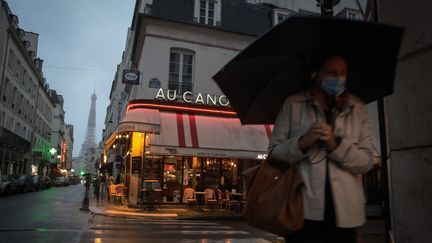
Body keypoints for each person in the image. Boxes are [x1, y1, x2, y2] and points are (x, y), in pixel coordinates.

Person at [268, 54, 375, 243]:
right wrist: (302, 142)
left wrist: (336, 145)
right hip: (301, 210)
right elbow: (273, 154)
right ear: (315, 74)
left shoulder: (357, 108)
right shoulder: (293, 105)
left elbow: (366, 162)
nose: (338, 78)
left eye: (343, 73)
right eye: (332, 72)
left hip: (346, 212)